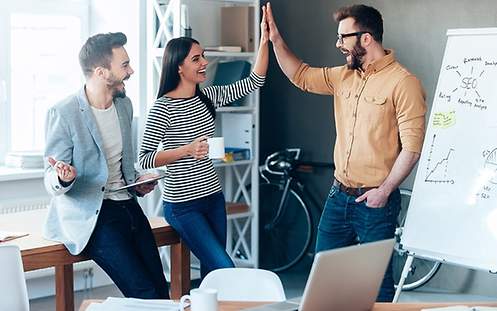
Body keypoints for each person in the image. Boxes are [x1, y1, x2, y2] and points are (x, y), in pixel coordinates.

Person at [264, 3, 426, 301]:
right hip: (338, 197)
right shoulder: (344, 76)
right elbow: (300, 74)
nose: (338, 44)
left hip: (376, 202)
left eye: (343, 37)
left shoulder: (404, 84)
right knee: (324, 282)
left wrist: (385, 191)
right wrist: (275, 40)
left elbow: (413, 149)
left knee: (378, 287)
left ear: (366, 38)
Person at [138, 8, 269, 279]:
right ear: (179, 67)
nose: (205, 63)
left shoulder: (208, 96)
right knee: (225, 267)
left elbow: (256, 81)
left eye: (204, 57)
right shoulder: (163, 107)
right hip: (182, 206)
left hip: (213, 198)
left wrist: (265, 40)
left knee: (214, 274)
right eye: (196, 59)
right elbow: (145, 158)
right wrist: (187, 150)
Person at [44, 32, 169, 299]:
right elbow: (51, 177)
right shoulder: (63, 112)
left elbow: (123, 165)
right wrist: (63, 178)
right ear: (101, 72)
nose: (131, 70)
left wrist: (139, 181)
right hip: (96, 216)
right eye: (124, 65)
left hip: (128, 206)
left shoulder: (124, 106)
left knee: (160, 288)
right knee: (144, 292)